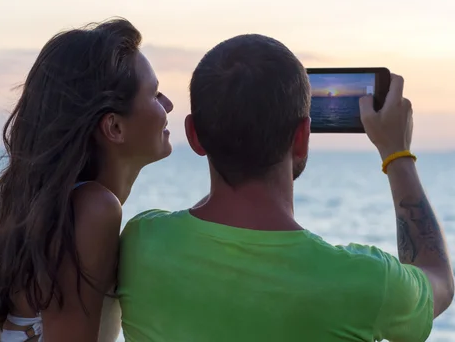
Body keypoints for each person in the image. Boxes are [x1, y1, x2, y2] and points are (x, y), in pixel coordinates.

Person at [117, 34, 454, 341]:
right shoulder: (366, 282)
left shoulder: (141, 243)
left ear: (194, 136)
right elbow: (438, 278)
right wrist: (397, 154)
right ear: (302, 137)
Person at [0, 18, 174, 342]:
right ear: (114, 127)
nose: (168, 105)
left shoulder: (50, 207)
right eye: (155, 94)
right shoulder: (92, 209)